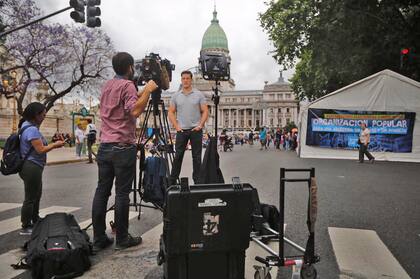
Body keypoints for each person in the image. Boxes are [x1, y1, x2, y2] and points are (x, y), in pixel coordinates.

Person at [91, 52, 158, 252]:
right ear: (129, 67)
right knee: (122, 194)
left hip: (105, 146)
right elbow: (134, 111)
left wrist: (140, 92)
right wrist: (147, 90)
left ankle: (99, 237)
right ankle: (122, 238)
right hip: (122, 147)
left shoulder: (107, 86)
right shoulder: (128, 85)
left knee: (101, 192)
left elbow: (124, 105)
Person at [18, 102, 65, 235]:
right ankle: (26, 225)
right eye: (43, 115)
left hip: (33, 166)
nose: (44, 117)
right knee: (31, 197)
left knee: (36, 194)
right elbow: (40, 149)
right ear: (35, 115)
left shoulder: (27, 126)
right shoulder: (31, 129)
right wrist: (55, 145)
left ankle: (35, 219)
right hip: (31, 167)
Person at [168, 70, 208, 185]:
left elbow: (205, 111)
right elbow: (170, 112)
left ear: (191, 80)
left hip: (196, 130)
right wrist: (176, 126)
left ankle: (198, 182)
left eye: (187, 78)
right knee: (178, 156)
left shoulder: (198, 94)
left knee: (196, 158)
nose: (185, 80)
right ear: (181, 80)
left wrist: (200, 125)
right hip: (182, 130)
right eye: (183, 78)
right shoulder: (176, 96)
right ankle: (172, 181)